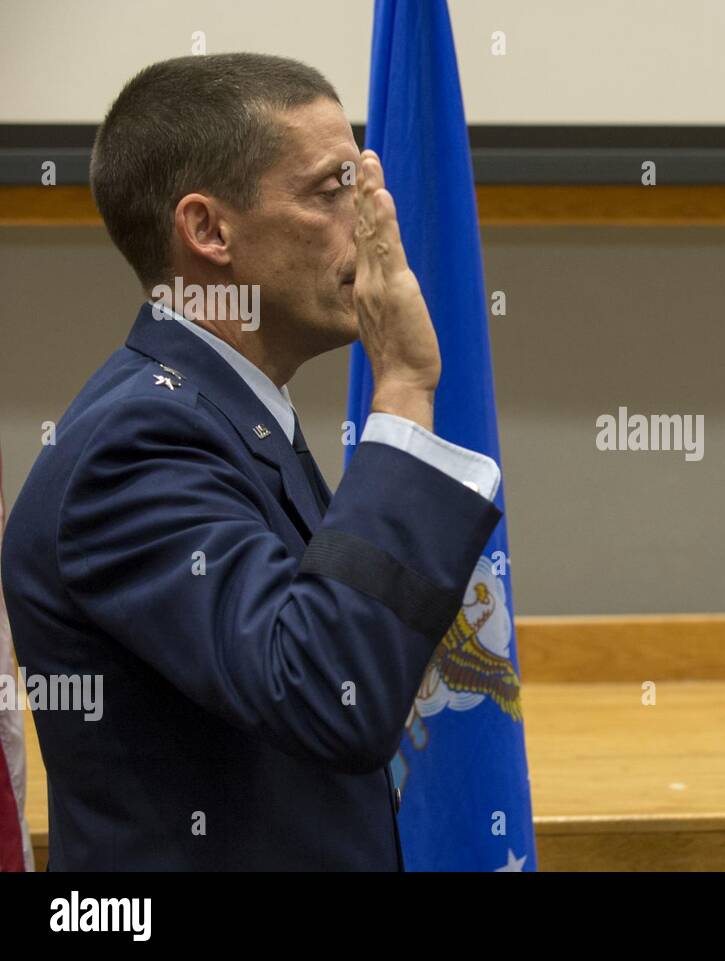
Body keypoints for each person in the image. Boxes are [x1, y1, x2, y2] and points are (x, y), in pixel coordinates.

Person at [0, 54, 502, 869]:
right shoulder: (132, 447)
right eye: (330, 189)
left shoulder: (229, 415)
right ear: (207, 231)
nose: (372, 216)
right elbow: (329, 691)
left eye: (362, 180)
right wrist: (404, 386)